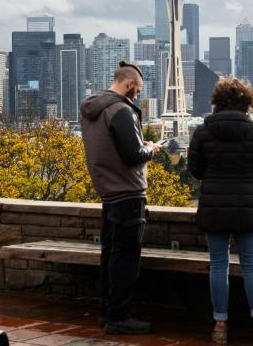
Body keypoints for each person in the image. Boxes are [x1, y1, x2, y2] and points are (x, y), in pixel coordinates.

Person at [188, 77, 253, 345]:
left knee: (218, 265)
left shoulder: (203, 130)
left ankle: (220, 326)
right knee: (251, 266)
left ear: (217, 100)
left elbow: (195, 170)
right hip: (246, 208)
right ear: (247, 101)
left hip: (214, 207)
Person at [80, 61, 161, 335]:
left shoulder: (92, 109)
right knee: (125, 258)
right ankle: (119, 316)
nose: (136, 96)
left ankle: (107, 312)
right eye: (137, 91)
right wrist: (150, 149)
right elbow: (132, 156)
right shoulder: (121, 110)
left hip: (108, 193)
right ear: (129, 84)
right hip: (128, 194)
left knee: (110, 256)